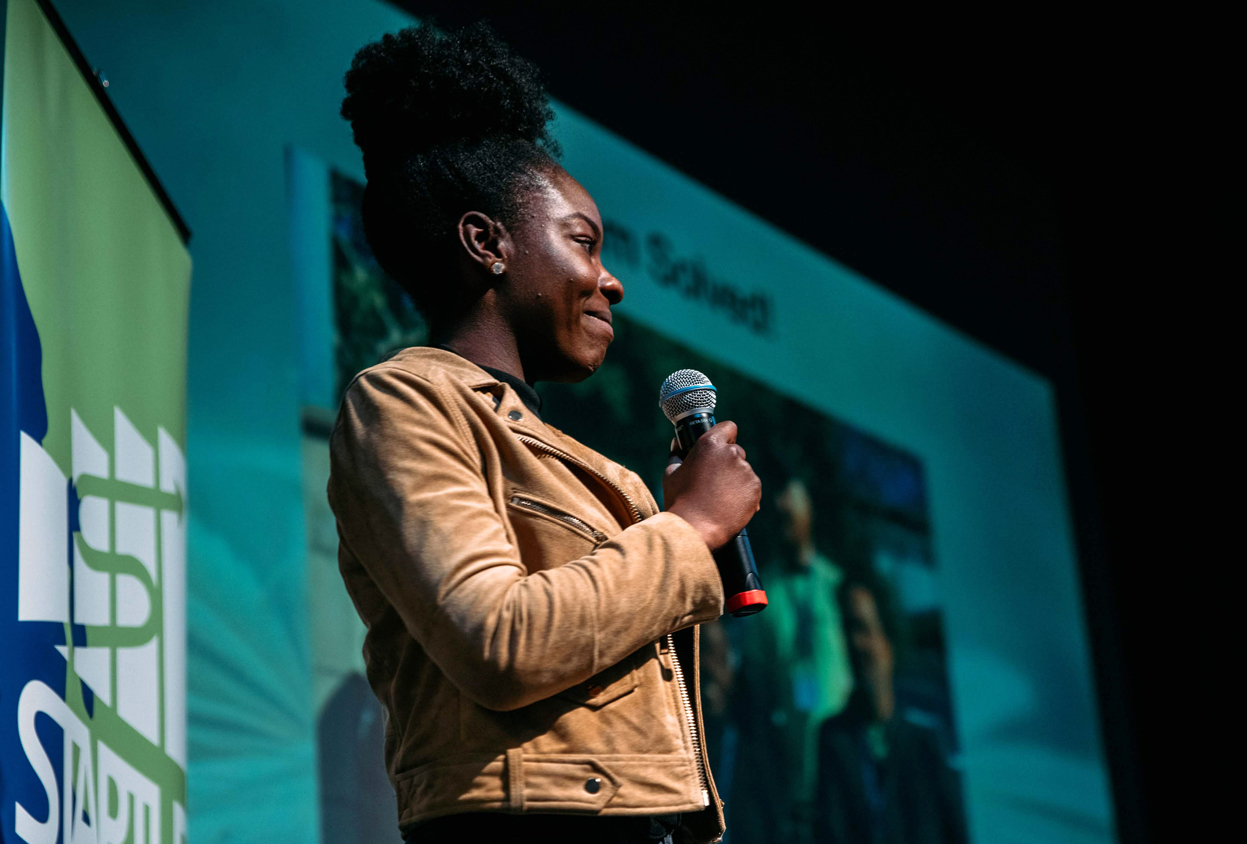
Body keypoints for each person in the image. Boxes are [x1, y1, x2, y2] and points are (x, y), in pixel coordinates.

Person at [327, 22, 761, 844]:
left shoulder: (600, 474)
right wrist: (691, 528)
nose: (613, 281)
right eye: (584, 243)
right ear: (487, 243)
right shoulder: (403, 401)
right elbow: (498, 638)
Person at [727, 480, 852, 843]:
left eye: (791, 505)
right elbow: (759, 686)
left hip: (845, 768)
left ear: (809, 509)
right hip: (794, 778)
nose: (784, 513)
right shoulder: (765, 596)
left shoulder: (836, 583)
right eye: (778, 509)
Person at [814, 584, 965, 844]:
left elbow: (954, 829)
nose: (854, 643)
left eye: (863, 628)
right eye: (848, 629)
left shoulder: (925, 743)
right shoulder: (834, 740)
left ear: (888, 642)